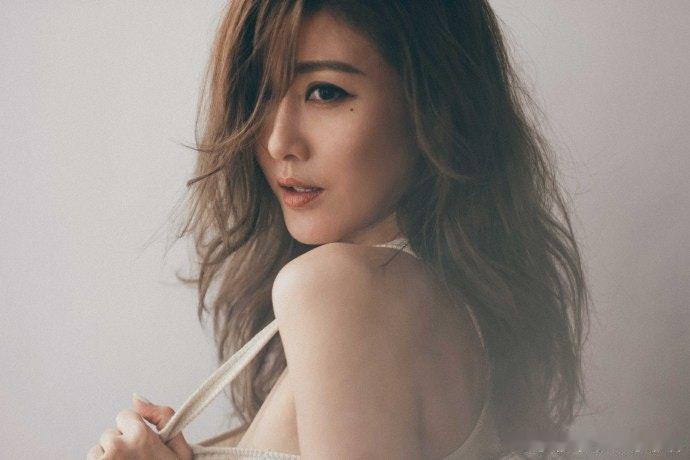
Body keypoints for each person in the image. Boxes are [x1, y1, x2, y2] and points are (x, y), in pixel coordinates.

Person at [87, 1, 589, 459]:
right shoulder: (435, 302)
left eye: (325, 92)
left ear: (434, 102)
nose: (279, 141)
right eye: (260, 92)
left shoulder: (342, 288)